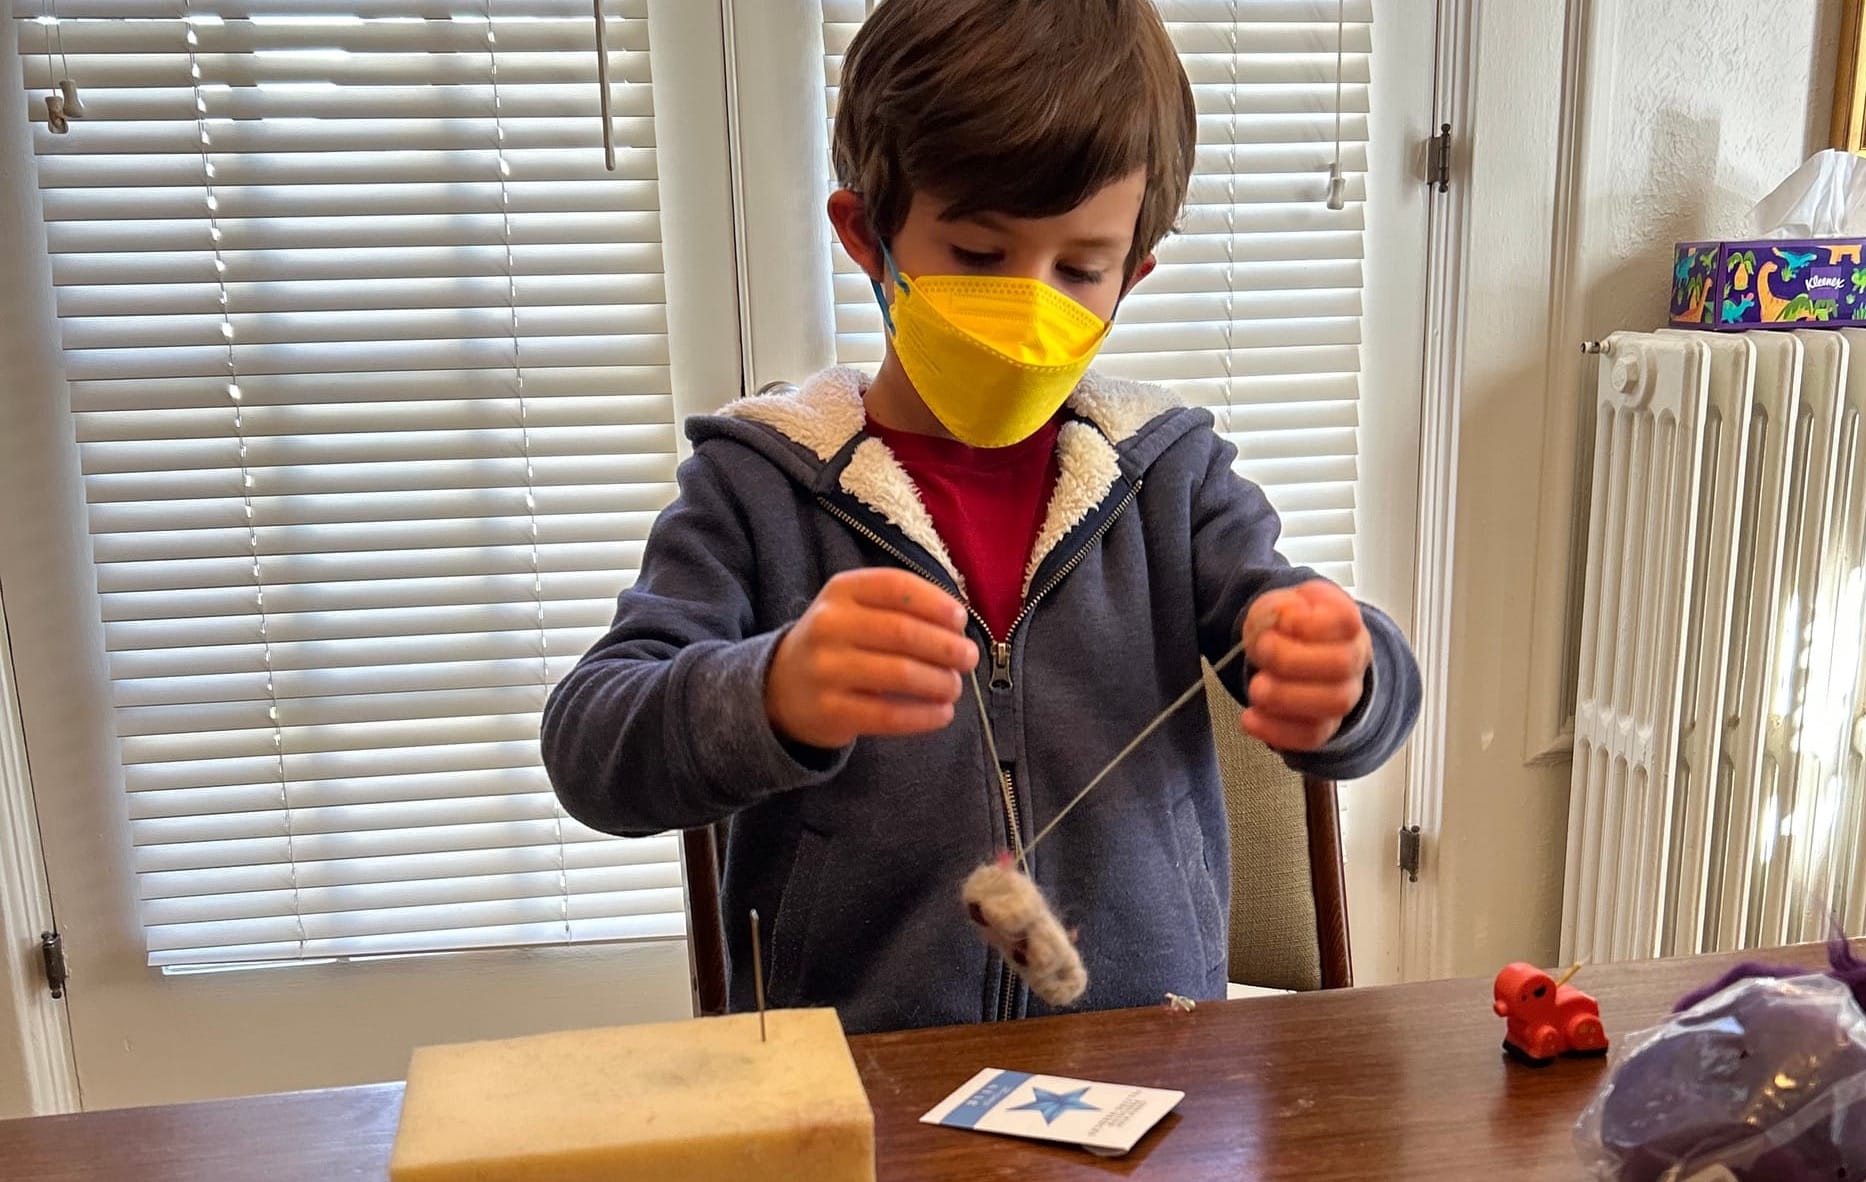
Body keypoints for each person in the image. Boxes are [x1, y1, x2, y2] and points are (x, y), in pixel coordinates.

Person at [542, 0, 1421, 1034]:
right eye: (975, 252)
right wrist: (769, 694)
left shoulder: (1169, 477)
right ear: (868, 237)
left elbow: (1343, 684)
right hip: (856, 1075)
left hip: (1142, 1061)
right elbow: (592, 747)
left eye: (1079, 269)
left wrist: (1346, 673)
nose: (1028, 302)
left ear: (1130, 275)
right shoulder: (758, 487)